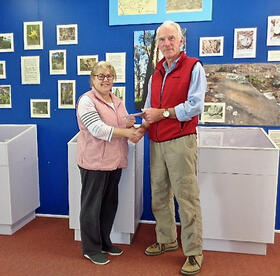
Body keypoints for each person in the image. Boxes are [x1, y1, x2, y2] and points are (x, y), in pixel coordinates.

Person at [133, 21, 207, 275]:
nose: (166, 43)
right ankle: (166, 239)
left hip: (180, 140)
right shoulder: (156, 72)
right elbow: (148, 108)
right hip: (156, 142)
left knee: (186, 198)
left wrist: (163, 113)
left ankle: (194, 252)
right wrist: (141, 127)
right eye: (161, 39)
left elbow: (195, 106)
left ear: (181, 41)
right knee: (159, 195)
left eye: (171, 38)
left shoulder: (193, 67)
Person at [76, 61, 137, 265]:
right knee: (92, 206)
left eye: (109, 76)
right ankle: (91, 248)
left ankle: (104, 242)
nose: (105, 79)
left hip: (115, 161)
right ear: (92, 79)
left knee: (109, 205)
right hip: (94, 163)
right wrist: (126, 132)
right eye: (100, 76)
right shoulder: (86, 101)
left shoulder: (117, 101)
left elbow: (119, 124)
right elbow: (97, 129)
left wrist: (129, 123)